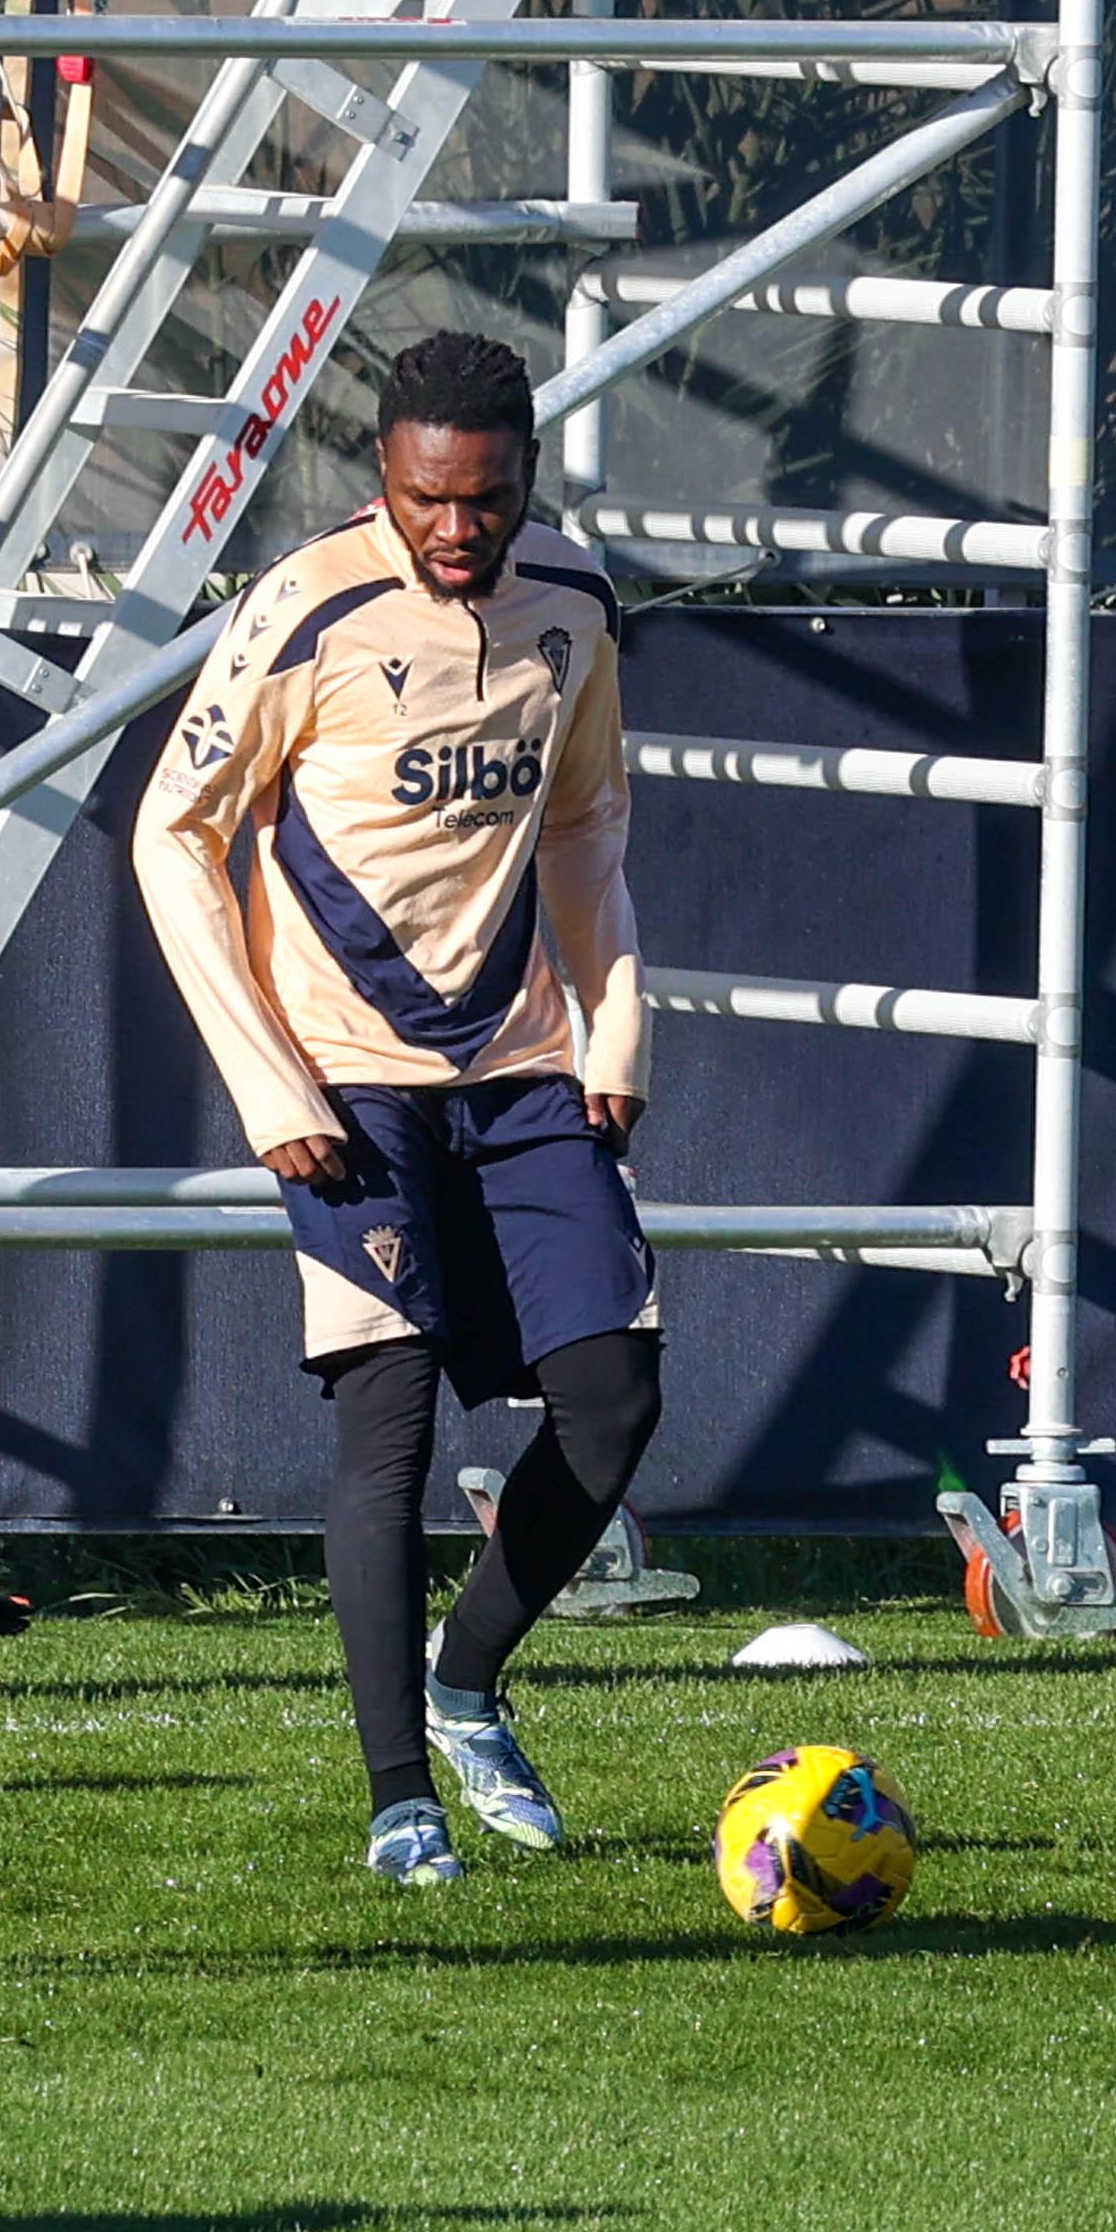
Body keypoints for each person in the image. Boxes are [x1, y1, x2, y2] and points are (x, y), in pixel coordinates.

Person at [131, 332, 657, 1885]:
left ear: (523, 484)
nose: (455, 530)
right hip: (342, 1076)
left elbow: (587, 819)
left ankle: (467, 1684)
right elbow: (175, 834)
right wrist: (265, 1079)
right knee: (394, 1419)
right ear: (385, 480)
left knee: (616, 1400)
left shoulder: (575, 601)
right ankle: (394, 1795)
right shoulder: (303, 608)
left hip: (516, 1062)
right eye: (428, 499)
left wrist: (616, 1027)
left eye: (483, 501)